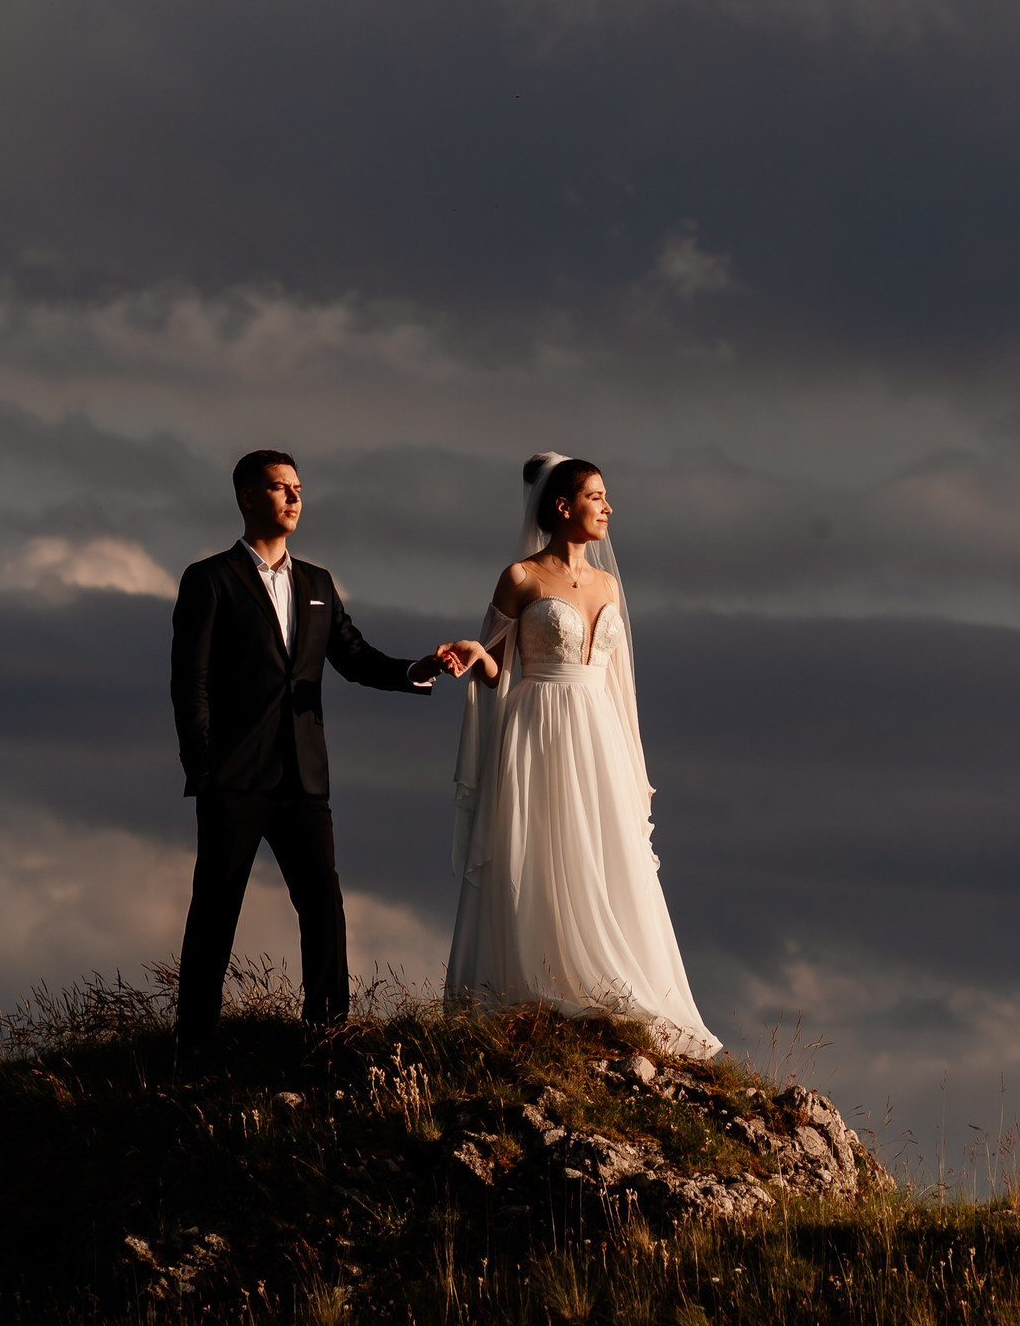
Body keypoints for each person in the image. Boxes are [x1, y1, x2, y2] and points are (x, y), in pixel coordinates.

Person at [170, 448, 489, 1049]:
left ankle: (328, 1035)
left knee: (323, 902)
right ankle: (193, 1044)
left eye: (298, 487)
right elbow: (191, 683)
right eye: (279, 487)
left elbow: (354, 655)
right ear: (246, 497)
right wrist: (204, 768)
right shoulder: (209, 579)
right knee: (215, 909)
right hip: (233, 778)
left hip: (304, 777)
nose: (294, 497)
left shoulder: (317, 582)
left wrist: (417, 668)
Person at [446, 451, 718, 1054]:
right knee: (544, 848)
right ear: (563, 506)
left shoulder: (609, 585)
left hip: (599, 731)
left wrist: (630, 759)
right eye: (597, 497)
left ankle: (616, 988)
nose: (608, 508)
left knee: (604, 849)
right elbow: (497, 667)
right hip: (539, 725)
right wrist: (475, 653)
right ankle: (541, 985)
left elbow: (619, 681)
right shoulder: (520, 578)